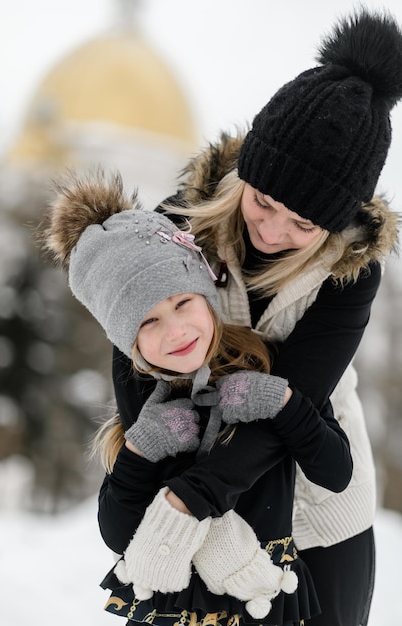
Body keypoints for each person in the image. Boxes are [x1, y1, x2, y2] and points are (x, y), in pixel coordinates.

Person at [109, 8, 402, 626]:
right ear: (245, 174)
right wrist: (165, 488)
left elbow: (296, 394)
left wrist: (196, 502)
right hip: (181, 467)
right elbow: (132, 352)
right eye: (263, 202)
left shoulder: (349, 271)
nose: (272, 231)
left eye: (305, 223)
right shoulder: (175, 227)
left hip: (318, 503)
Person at [43, 174, 353, 626]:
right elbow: (117, 531)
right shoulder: (144, 401)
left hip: (261, 594)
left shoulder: (265, 362)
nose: (177, 331)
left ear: (207, 294)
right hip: (172, 599)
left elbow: (336, 471)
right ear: (125, 339)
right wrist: (141, 447)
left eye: (184, 302)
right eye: (148, 321)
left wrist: (283, 402)